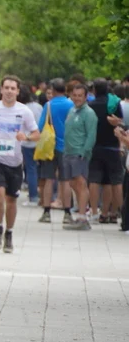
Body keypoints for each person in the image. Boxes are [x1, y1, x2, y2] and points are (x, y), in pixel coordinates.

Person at [0, 76, 39, 252]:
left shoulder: (24, 111)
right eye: (7, 88)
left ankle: (9, 233)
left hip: (15, 163)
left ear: (17, 91)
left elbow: (36, 134)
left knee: (11, 200)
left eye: (13, 88)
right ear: (1, 90)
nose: (9, 91)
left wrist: (26, 137)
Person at [37, 78, 74, 225]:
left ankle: (46, 212)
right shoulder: (71, 104)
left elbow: (40, 126)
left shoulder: (49, 105)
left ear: (52, 90)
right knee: (65, 181)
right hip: (67, 147)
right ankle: (67, 213)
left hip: (50, 148)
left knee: (48, 179)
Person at [87, 78, 124, 224]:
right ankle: (114, 213)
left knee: (94, 180)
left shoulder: (90, 105)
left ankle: (94, 212)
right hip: (113, 147)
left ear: (94, 90)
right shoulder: (114, 104)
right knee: (113, 181)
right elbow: (120, 123)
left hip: (96, 147)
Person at [61, 82, 97, 231]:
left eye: (80, 96)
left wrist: (84, 152)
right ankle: (81, 213)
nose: (77, 98)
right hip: (68, 153)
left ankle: (83, 218)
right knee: (73, 184)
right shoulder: (72, 111)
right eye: (74, 95)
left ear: (86, 96)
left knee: (81, 184)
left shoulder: (89, 114)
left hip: (79, 154)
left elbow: (91, 135)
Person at [20, 86, 43, 205]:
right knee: (41, 169)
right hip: (41, 141)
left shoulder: (22, 109)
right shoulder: (38, 106)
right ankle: (42, 194)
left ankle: (33, 196)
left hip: (27, 142)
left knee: (31, 169)